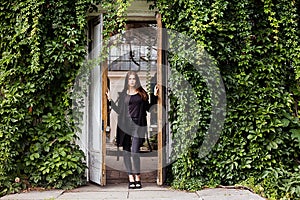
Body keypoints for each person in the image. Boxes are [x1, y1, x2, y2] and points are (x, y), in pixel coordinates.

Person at [106, 71, 158, 189]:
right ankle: (131, 177)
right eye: (130, 79)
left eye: (134, 78)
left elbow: (149, 109)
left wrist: (154, 96)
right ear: (127, 81)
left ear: (136, 80)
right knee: (126, 152)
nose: (132, 81)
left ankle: (138, 176)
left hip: (138, 124)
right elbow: (119, 110)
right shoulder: (124, 94)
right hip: (125, 125)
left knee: (135, 152)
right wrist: (110, 100)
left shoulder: (142, 94)